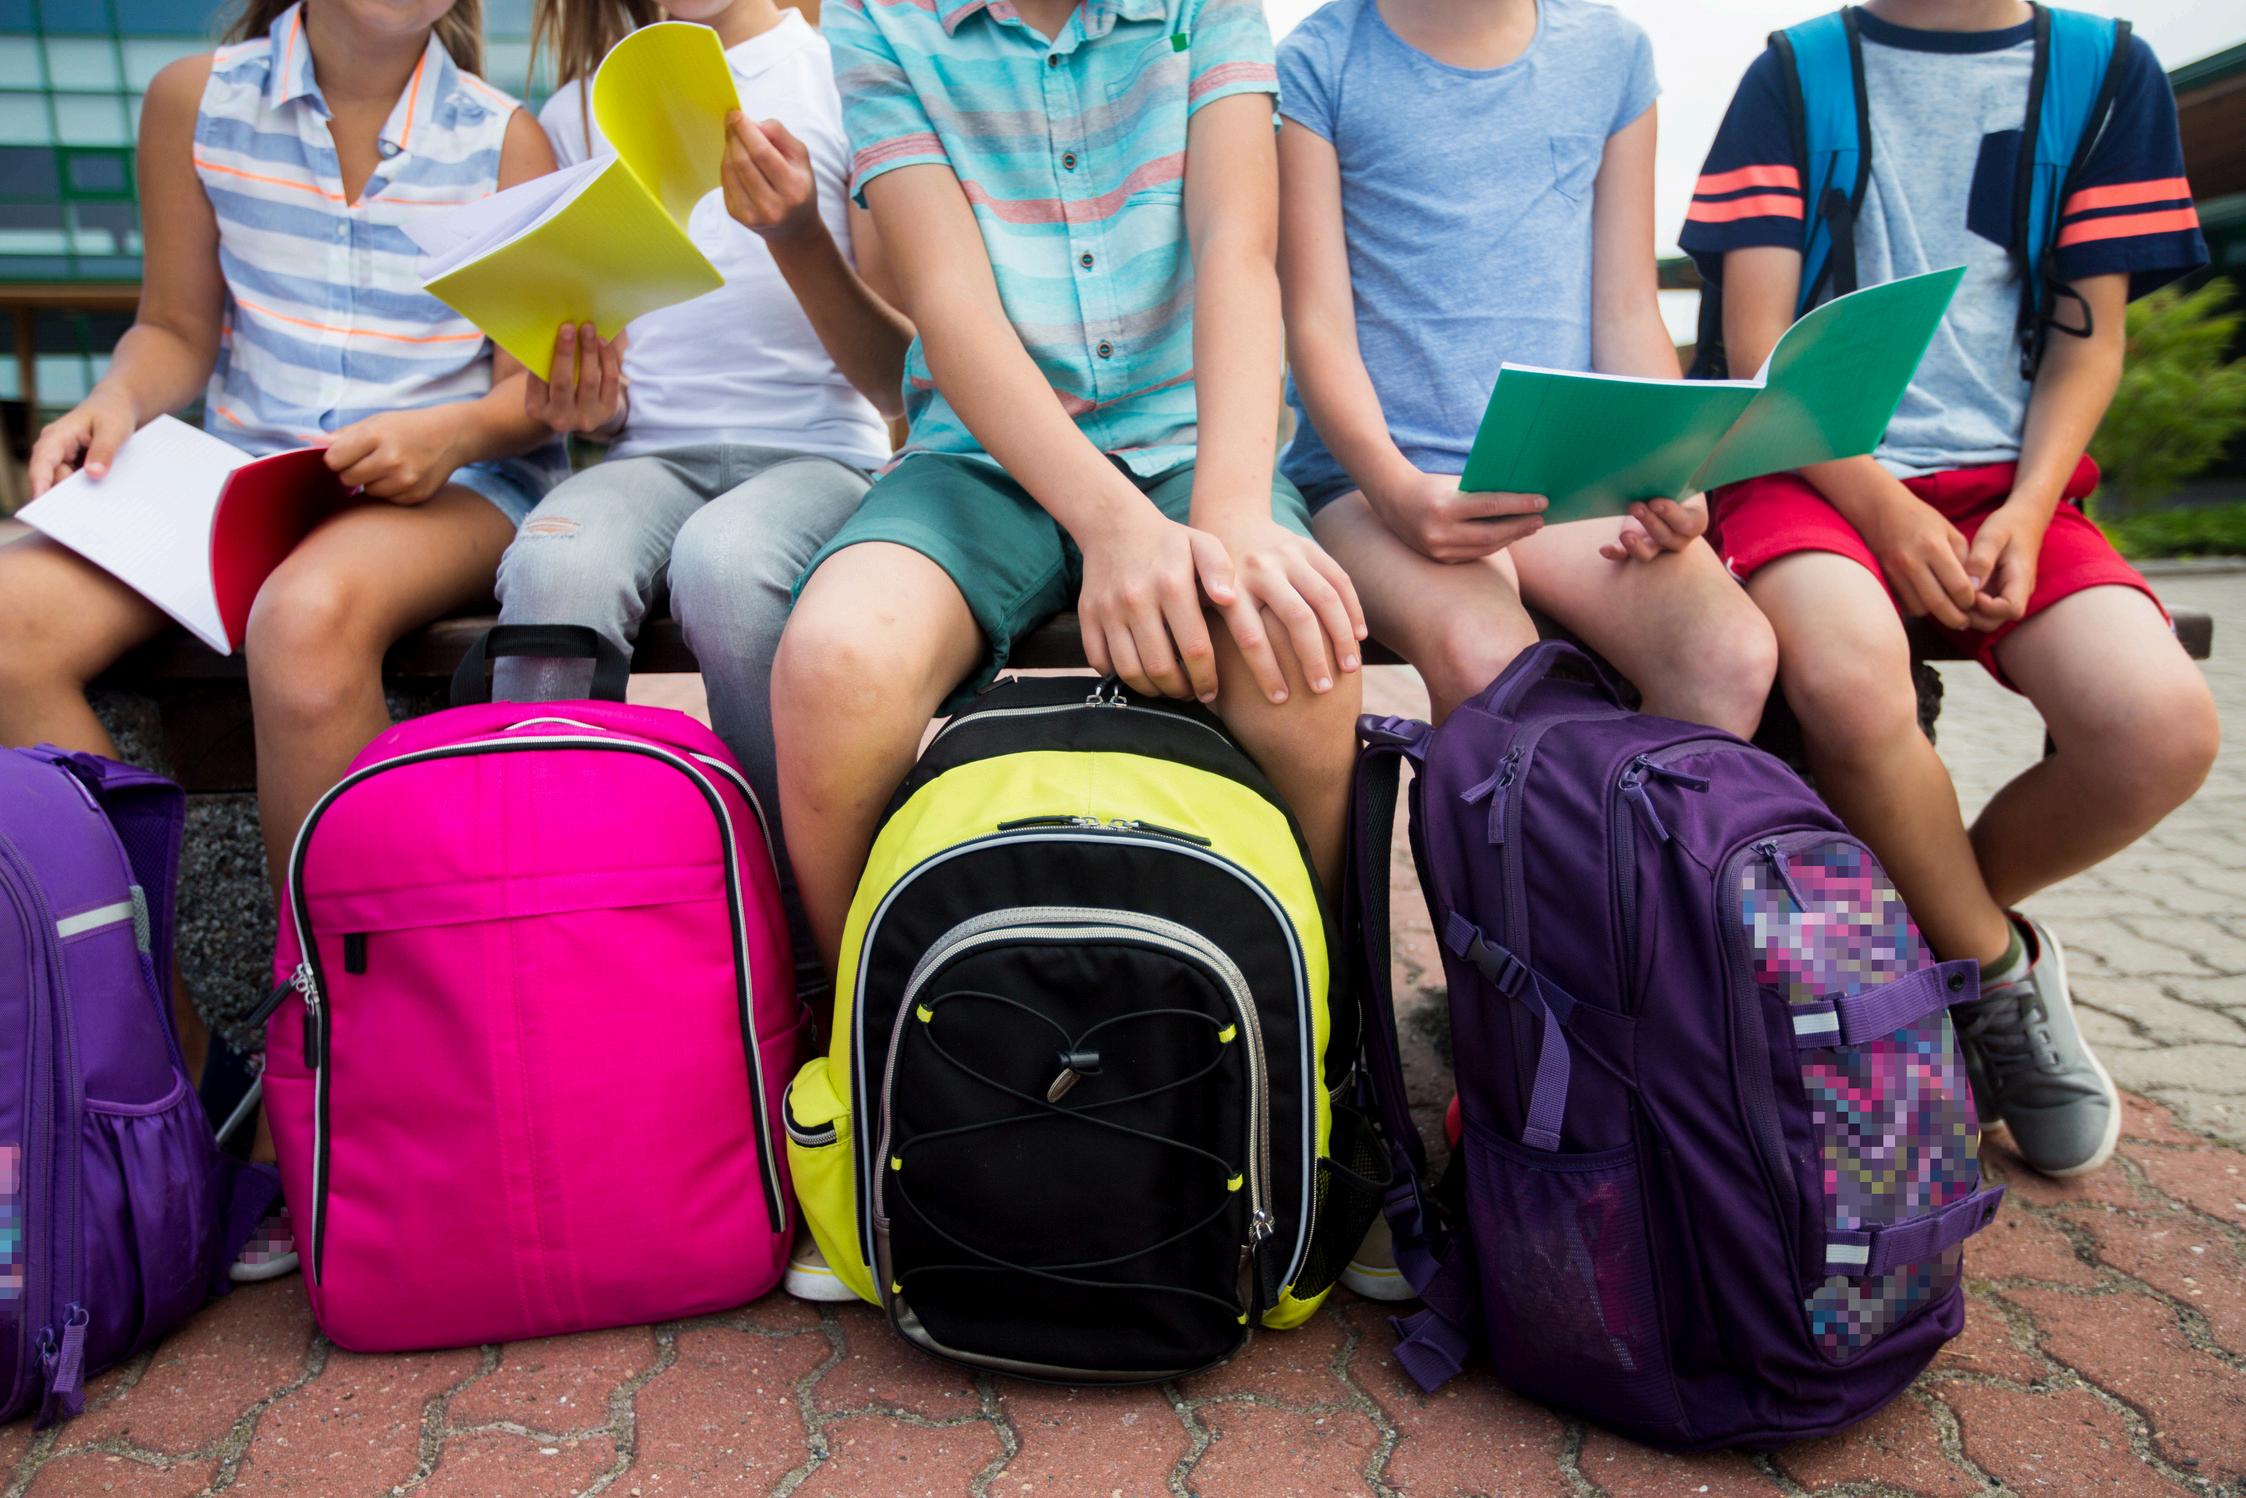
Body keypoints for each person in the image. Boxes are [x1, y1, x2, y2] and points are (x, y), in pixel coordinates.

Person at [770, 0, 1369, 1286]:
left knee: (1294, 654)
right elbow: (946, 299)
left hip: (1193, 444)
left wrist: (1225, 512)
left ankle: (1313, 1069)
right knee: (833, 666)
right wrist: (1108, 527)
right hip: (977, 455)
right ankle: (863, 1060)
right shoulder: (880, 21)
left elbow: (1236, 247)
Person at [0, 0, 564, 1276]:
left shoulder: (504, 139)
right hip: (245, 481)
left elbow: (534, 393)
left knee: (301, 624)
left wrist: (448, 435)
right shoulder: (194, 101)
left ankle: (330, 1074)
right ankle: (176, 1057)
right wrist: (111, 403)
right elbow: (174, 332)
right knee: (8, 622)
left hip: (444, 490)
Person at [1683, 0, 2218, 1177]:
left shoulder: (2101, 72)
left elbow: (2089, 340)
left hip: (2006, 485)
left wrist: (2027, 508)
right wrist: (1882, 506)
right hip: (1805, 465)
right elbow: (1758, 350)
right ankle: (1991, 971)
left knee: (2160, 728)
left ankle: (1918, 940)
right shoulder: (1794, 73)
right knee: (1842, 679)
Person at [494, 0, 911, 1039]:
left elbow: (900, 374)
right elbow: (598, 396)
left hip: (820, 452)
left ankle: (804, 964)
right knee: (551, 566)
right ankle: (551, 942)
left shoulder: (850, 75)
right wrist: (583, 398)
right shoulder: (578, 113)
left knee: (726, 568)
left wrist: (797, 232)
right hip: (646, 456)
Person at [1276, 0, 1778, 734]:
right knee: (1490, 659)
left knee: (1727, 655)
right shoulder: (1315, 62)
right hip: (1375, 485)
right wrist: (1397, 492)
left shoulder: (1613, 52)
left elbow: (1626, 308)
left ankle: (1635, 813)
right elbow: (1316, 323)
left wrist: (1671, 470)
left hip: (1567, 482)